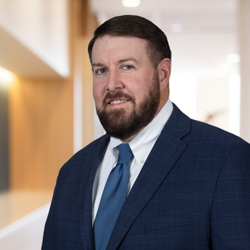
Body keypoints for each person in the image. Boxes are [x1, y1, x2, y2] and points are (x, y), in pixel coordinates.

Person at [42, 15, 250, 249]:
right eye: (101, 70)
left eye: (127, 67)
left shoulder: (226, 159)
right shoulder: (72, 172)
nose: (111, 84)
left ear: (163, 74)